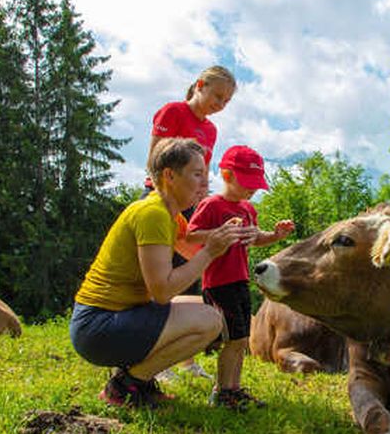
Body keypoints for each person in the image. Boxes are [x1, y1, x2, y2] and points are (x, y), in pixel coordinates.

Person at [69, 138, 246, 409]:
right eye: (197, 174)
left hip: (114, 318)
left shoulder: (168, 214)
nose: (205, 183)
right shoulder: (153, 214)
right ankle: (127, 385)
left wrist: (231, 236)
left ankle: (139, 378)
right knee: (210, 320)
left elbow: (192, 249)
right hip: (98, 327)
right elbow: (163, 292)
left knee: (213, 309)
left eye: (206, 174)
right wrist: (210, 251)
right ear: (169, 175)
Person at [146, 65, 238, 381]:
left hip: (192, 208)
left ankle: (186, 357)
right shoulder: (173, 112)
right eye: (217, 95)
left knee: (195, 275)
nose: (220, 104)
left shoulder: (210, 130)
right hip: (164, 202)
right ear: (200, 85)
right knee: (162, 275)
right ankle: (156, 359)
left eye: (226, 101)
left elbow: (203, 174)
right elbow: (155, 159)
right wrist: (166, 204)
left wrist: (205, 205)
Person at [186, 145, 295, 411]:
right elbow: (191, 235)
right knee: (231, 339)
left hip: (240, 280)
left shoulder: (247, 208)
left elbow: (254, 238)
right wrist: (219, 233)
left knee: (242, 339)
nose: (252, 190)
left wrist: (275, 236)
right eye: (247, 182)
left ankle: (233, 388)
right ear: (226, 175)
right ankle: (222, 391)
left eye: (256, 184)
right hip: (218, 283)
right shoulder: (212, 205)